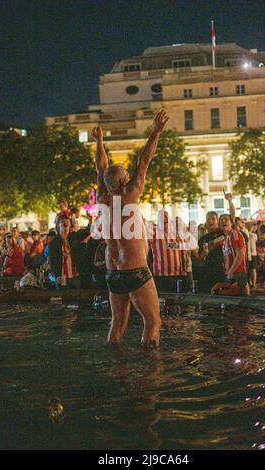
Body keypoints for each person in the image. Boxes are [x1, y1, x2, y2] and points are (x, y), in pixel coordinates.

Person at [92, 110, 169, 346]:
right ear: (125, 180)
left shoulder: (102, 197)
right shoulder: (130, 193)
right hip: (134, 268)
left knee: (117, 324)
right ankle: (151, 374)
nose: (130, 174)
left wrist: (100, 142)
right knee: (153, 322)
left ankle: (115, 370)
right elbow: (144, 160)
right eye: (127, 173)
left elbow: (101, 168)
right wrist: (155, 131)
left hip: (112, 271)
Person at [49, 214, 90, 289]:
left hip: (75, 276)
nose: (65, 222)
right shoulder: (54, 243)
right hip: (62, 278)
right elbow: (53, 261)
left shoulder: (74, 236)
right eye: (62, 221)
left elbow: (87, 232)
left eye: (67, 221)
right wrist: (57, 276)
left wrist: (90, 220)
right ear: (58, 225)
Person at [220, 214, 250, 296]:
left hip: (237, 273)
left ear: (232, 223)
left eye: (226, 219)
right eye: (221, 220)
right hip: (230, 273)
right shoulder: (225, 239)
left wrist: (231, 271)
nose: (223, 221)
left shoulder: (235, 234)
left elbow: (240, 254)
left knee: (240, 301)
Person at [247, 222, 258, 289]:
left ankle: (249, 282)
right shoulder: (254, 235)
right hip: (253, 254)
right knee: (253, 269)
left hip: (247, 254)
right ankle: (254, 284)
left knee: (248, 270)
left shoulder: (245, 233)